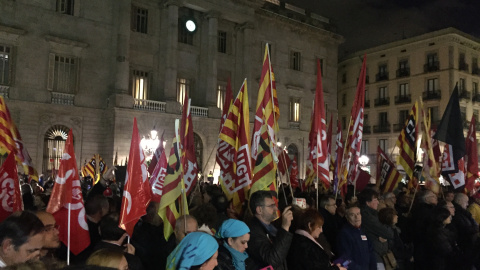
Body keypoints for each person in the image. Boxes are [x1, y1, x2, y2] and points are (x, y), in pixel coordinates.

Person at [246, 191, 293, 270]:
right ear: (259, 210)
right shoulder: (253, 232)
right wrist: (285, 227)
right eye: (272, 206)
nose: (276, 208)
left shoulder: (271, 227)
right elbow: (272, 260)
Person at [358, 189, 393, 269]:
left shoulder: (374, 214)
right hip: (373, 255)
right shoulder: (367, 216)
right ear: (367, 202)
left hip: (377, 254)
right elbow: (388, 233)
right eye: (375, 200)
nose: (378, 202)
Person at [336, 205, 376, 270]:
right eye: (352, 215)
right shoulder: (344, 234)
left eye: (358, 214)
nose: (356, 217)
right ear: (347, 217)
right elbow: (344, 259)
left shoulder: (363, 231)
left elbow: (371, 252)